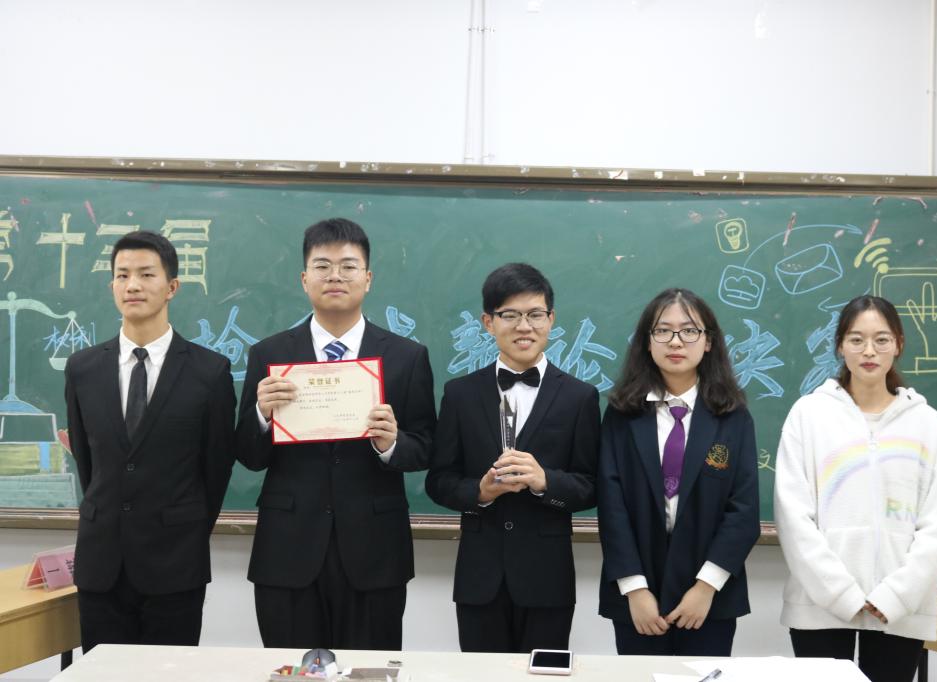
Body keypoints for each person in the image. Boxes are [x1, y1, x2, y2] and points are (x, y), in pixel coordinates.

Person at [235, 217, 436, 650]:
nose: (335, 276)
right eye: (322, 266)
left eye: (348, 266)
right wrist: (261, 415)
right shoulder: (269, 353)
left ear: (368, 278)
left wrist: (392, 444)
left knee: (369, 672)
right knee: (291, 673)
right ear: (304, 278)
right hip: (287, 548)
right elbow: (248, 456)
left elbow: (426, 447)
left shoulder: (407, 357)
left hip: (374, 551)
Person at [65, 230, 236, 652]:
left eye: (146, 274)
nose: (133, 285)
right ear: (112, 285)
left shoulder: (210, 372)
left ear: (172, 286)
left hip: (175, 563)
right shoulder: (82, 369)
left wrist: (184, 529)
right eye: (122, 275)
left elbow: (216, 470)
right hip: (102, 563)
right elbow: (89, 464)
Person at [774, 294, 937, 682]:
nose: (869, 351)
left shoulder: (926, 423)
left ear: (899, 344)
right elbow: (793, 517)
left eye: (881, 339)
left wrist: (896, 595)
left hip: (901, 610)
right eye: (856, 339)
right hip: (819, 606)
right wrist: (840, 593)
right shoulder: (809, 415)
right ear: (840, 345)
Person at [425, 262, 600, 653]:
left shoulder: (580, 397)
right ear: (488, 323)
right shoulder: (460, 394)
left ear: (551, 319)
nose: (524, 326)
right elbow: (438, 481)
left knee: (542, 677)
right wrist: (481, 492)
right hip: (479, 577)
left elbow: (592, 486)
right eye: (510, 315)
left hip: (548, 578)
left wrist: (544, 482)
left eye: (535, 314)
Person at [597, 288, 759, 656]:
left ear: (708, 342)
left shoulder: (733, 416)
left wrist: (706, 587)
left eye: (689, 331)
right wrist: (634, 588)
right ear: (647, 341)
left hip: (710, 598)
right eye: (663, 331)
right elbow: (611, 503)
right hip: (638, 597)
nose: (675, 341)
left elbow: (744, 509)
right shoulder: (622, 415)